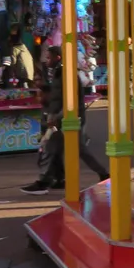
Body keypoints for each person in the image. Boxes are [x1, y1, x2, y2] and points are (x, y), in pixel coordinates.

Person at [21, 46, 110, 194]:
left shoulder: (66, 74)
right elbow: (59, 96)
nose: (46, 60)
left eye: (49, 57)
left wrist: (57, 116)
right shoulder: (58, 74)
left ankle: (45, 181)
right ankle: (60, 178)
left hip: (68, 119)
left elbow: (70, 100)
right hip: (64, 117)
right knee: (65, 149)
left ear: (58, 57)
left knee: (51, 148)